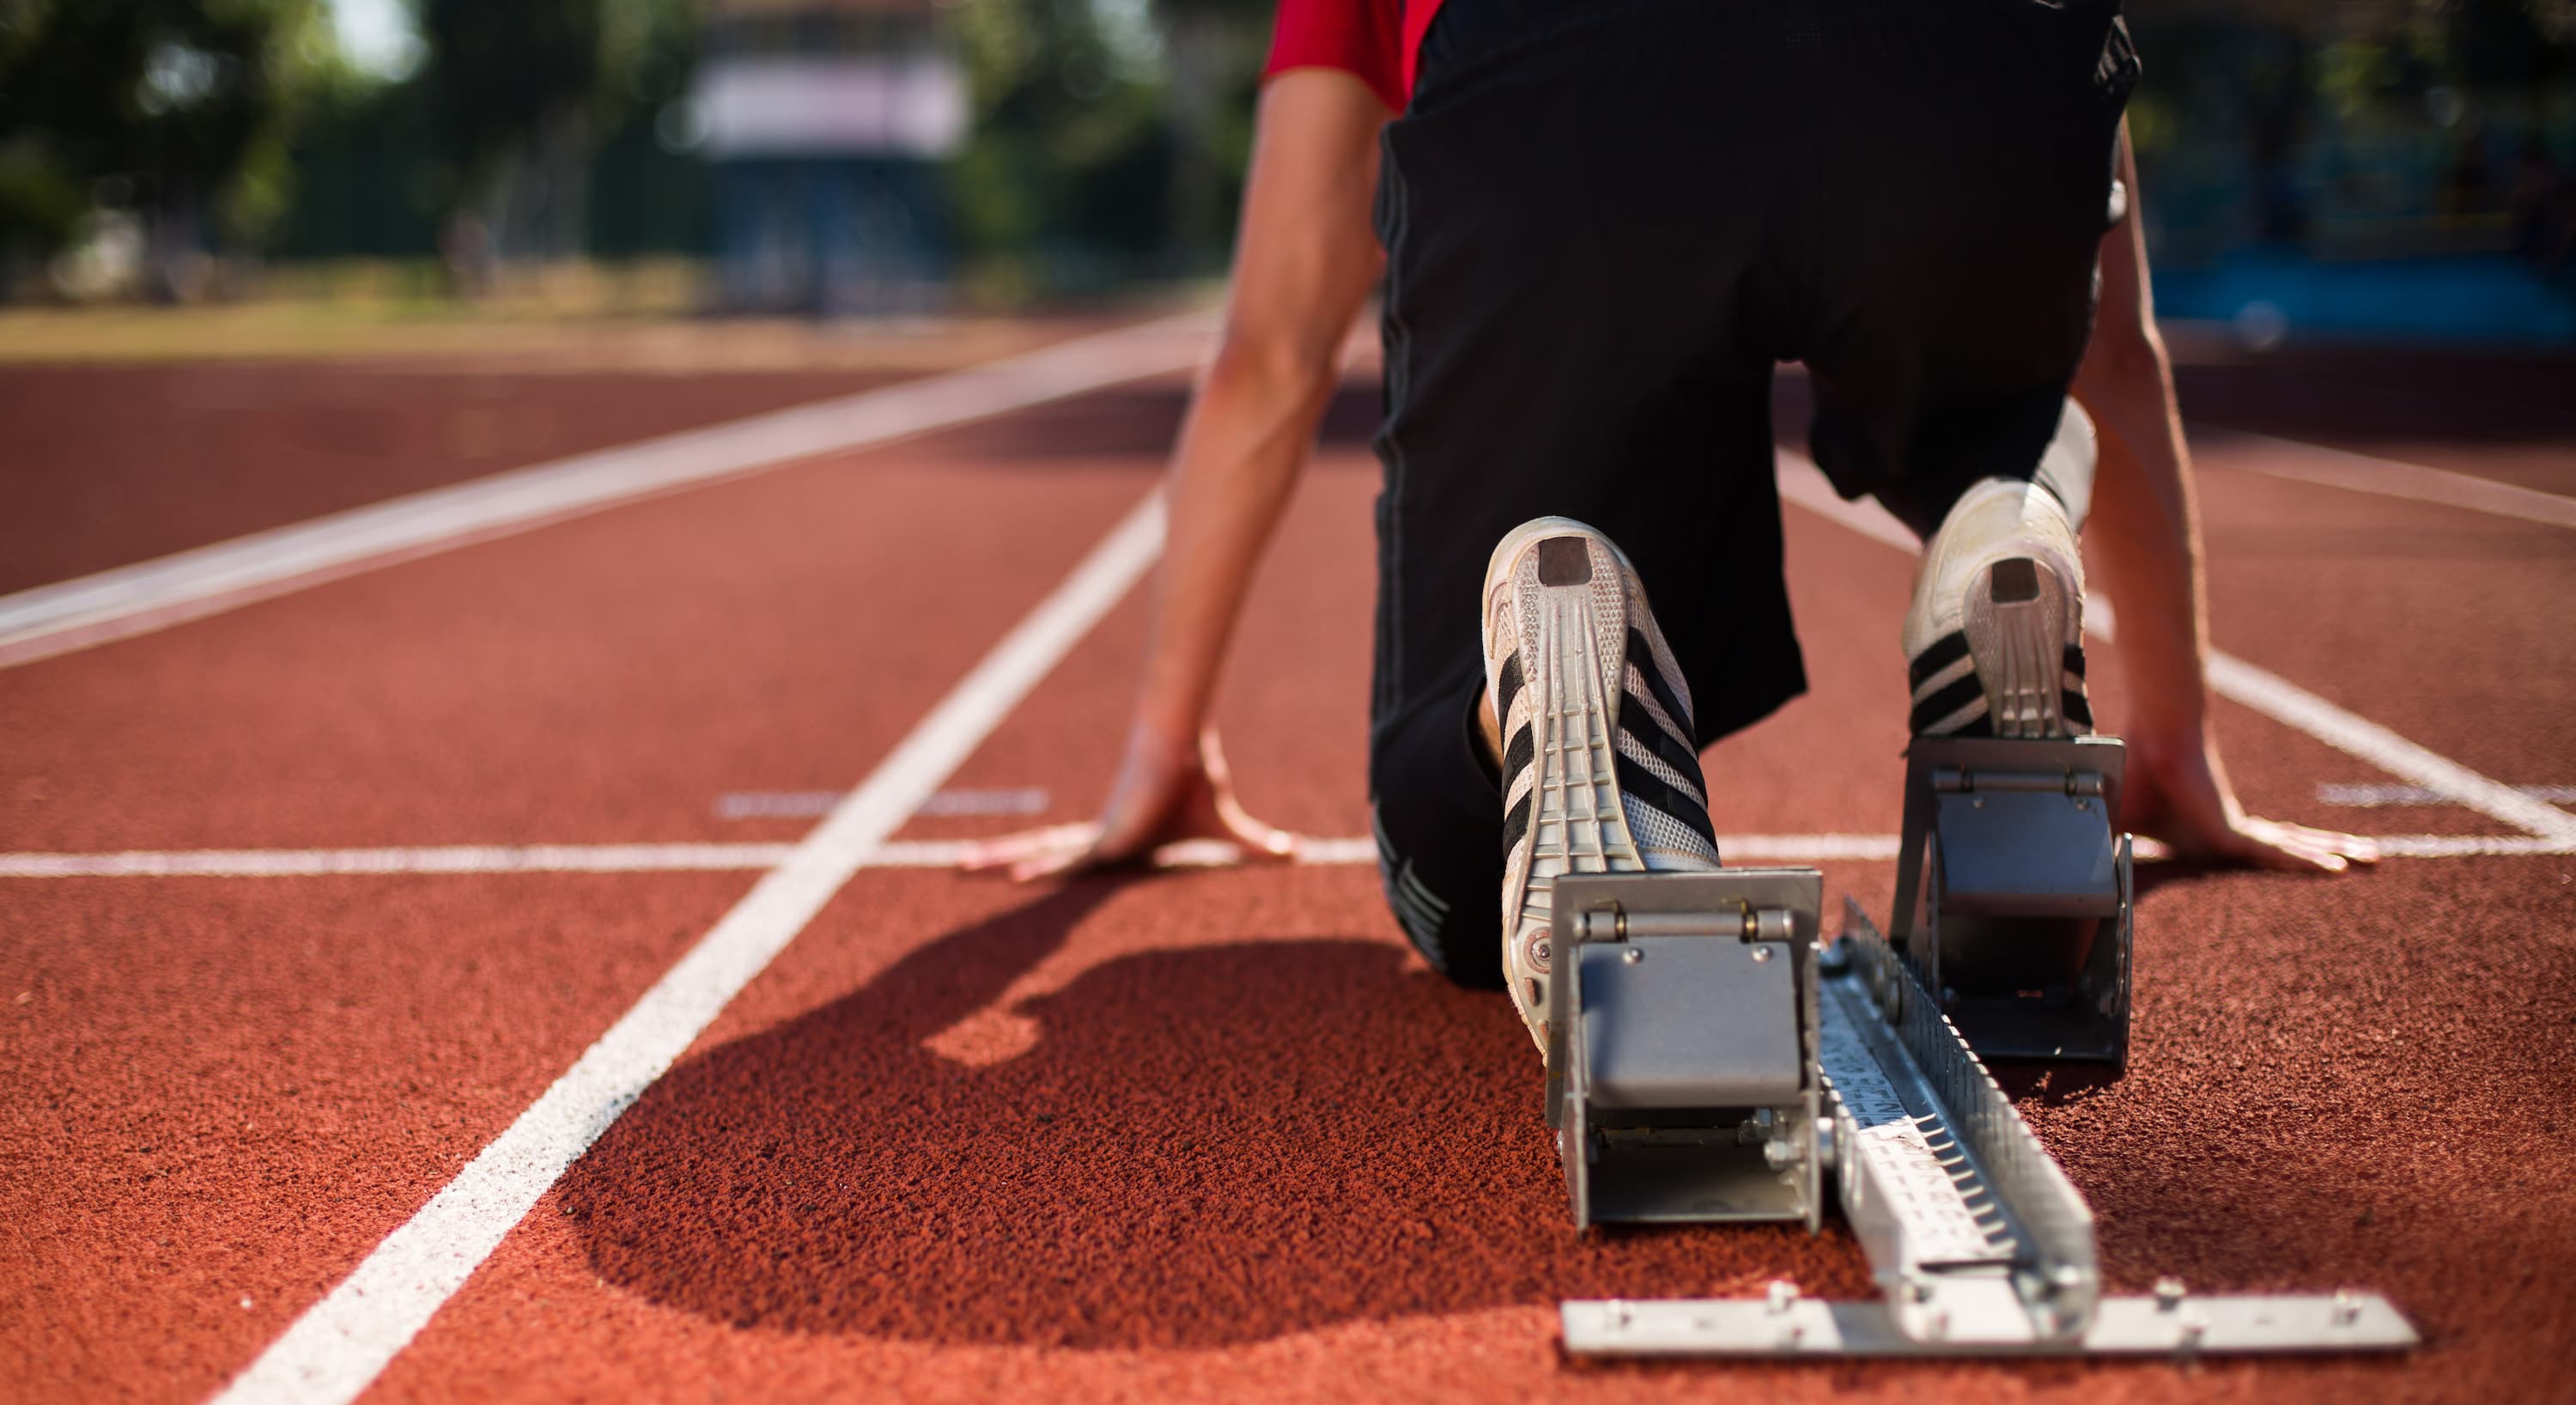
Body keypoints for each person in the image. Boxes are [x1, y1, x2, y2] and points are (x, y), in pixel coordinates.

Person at [966, 0, 2374, 1049]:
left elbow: (1275, 345)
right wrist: (2176, 734)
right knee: (2006, 426)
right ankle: (2003, 521)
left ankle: (1546, 667)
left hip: (1579, 72)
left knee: (1451, 852)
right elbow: (2112, 346)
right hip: (1979, 57)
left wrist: (1162, 748)